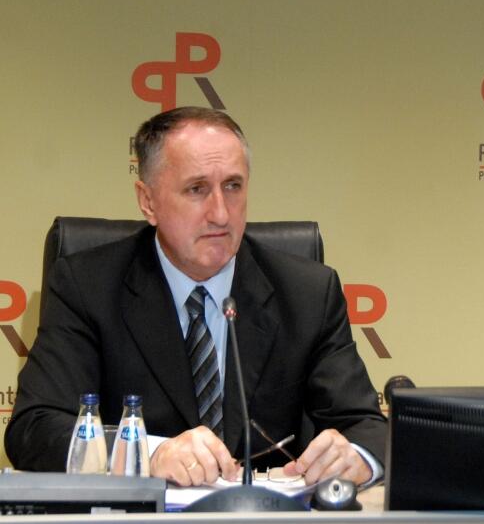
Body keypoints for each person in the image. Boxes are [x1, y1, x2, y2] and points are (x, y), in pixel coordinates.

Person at [5, 107, 387, 486]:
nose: (220, 214)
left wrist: (356, 456)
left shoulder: (307, 294)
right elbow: (34, 428)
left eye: (233, 186)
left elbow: (367, 427)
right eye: (196, 189)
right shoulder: (87, 286)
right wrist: (149, 452)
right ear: (148, 201)